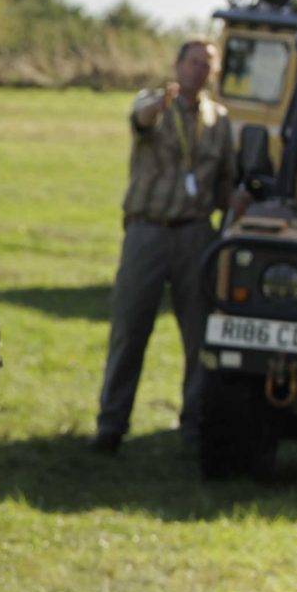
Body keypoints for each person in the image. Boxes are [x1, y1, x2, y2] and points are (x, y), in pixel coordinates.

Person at [93, 38, 235, 453]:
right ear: (177, 64)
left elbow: (225, 184)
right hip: (148, 231)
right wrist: (159, 105)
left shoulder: (219, 120)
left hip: (195, 233)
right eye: (193, 62)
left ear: (215, 73)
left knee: (199, 336)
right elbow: (140, 120)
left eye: (207, 65)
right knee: (130, 329)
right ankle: (111, 425)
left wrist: (241, 201)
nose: (199, 70)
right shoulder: (153, 103)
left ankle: (194, 426)